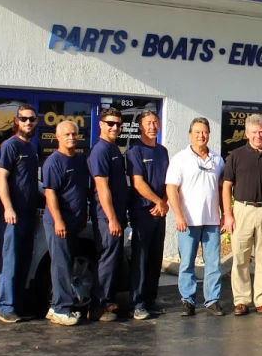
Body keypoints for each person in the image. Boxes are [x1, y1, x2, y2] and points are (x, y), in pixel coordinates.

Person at [221, 114, 262, 316]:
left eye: (261, 132)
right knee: (240, 257)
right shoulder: (236, 155)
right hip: (243, 210)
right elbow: (226, 186)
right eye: (254, 132)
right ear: (247, 133)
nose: (258, 135)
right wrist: (228, 214)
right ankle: (241, 301)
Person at [167, 117, 226, 317]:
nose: (201, 135)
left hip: (211, 221)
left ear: (209, 134)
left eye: (205, 132)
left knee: (213, 264)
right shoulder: (180, 158)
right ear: (190, 135)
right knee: (187, 263)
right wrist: (178, 215)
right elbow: (171, 188)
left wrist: (225, 214)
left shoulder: (217, 160)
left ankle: (212, 300)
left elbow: (221, 189)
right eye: (197, 132)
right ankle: (188, 300)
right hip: (188, 221)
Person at [0, 103, 42, 323]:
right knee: (10, 262)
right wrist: (8, 207)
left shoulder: (32, 147)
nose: (28, 122)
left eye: (32, 119)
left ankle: (18, 306)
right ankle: (5, 307)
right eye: (24, 119)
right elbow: (2, 178)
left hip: (28, 215)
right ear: (16, 121)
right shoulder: (10, 145)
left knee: (24, 262)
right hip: (12, 216)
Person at [42, 120, 90, 326]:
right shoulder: (53, 162)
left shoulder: (79, 160)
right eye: (67, 134)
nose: (71, 137)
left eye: (74, 134)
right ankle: (61, 308)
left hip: (75, 222)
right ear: (58, 137)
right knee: (60, 264)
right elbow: (50, 193)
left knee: (67, 264)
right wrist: (58, 220)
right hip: (59, 223)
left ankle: (55, 306)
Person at [88, 106, 131, 322]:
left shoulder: (114, 148)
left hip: (117, 216)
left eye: (118, 124)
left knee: (113, 259)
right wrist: (112, 218)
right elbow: (102, 187)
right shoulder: (100, 151)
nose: (115, 127)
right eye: (110, 123)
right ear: (101, 125)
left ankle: (108, 300)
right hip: (107, 217)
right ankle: (99, 305)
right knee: (107, 259)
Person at [126, 110, 170, 321]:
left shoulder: (162, 151)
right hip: (143, 212)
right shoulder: (135, 150)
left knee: (155, 258)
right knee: (141, 259)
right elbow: (138, 182)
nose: (153, 126)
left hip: (160, 212)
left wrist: (164, 202)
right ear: (140, 127)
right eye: (148, 123)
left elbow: (169, 181)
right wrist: (157, 201)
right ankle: (138, 303)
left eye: (155, 122)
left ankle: (151, 300)